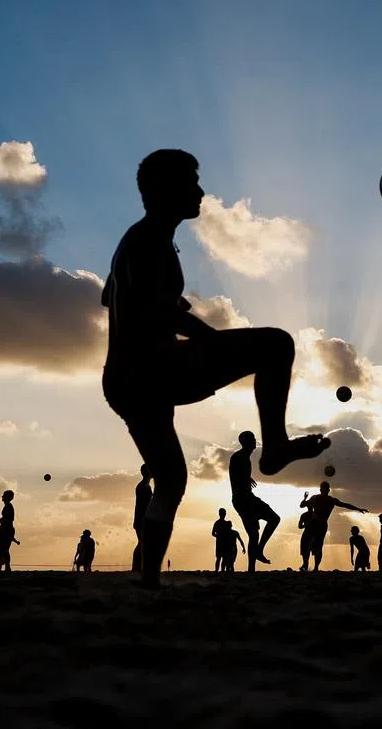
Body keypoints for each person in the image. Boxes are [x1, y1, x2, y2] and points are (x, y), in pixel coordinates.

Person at [101, 149, 331, 588]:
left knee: (170, 479)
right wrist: (204, 336)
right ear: (164, 191)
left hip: (127, 382)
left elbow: (114, 298)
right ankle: (276, 448)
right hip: (155, 370)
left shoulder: (145, 241)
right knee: (276, 344)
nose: (201, 191)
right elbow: (154, 311)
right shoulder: (147, 239)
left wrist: (165, 303)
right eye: (192, 181)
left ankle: (148, 582)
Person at [229, 431, 281, 572]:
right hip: (242, 500)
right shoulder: (238, 457)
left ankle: (257, 555)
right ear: (245, 442)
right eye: (252, 439)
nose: (255, 441)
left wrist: (247, 478)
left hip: (248, 498)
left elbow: (239, 476)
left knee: (272, 520)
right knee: (255, 532)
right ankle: (253, 565)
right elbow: (235, 477)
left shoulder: (245, 458)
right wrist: (245, 479)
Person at [299, 482, 368, 571]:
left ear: (328, 490)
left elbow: (345, 505)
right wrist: (305, 498)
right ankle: (305, 563)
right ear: (320, 490)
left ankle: (316, 567)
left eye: (326, 489)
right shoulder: (315, 497)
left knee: (318, 546)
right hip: (313, 523)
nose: (324, 490)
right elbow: (302, 505)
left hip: (322, 524)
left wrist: (358, 509)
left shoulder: (331, 500)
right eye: (322, 488)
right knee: (305, 542)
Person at [132, 465, 153, 572]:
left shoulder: (146, 486)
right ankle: (137, 567)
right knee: (142, 543)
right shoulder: (143, 487)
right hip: (142, 520)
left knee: (143, 543)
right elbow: (144, 505)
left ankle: (139, 567)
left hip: (143, 519)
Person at [297, 507, 314, 572]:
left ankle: (307, 565)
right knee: (304, 551)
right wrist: (305, 525)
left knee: (312, 550)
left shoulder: (315, 515)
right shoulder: (304, 515)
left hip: (313, 534)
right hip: (306, 534)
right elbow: (299, 526)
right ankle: (305, 564)